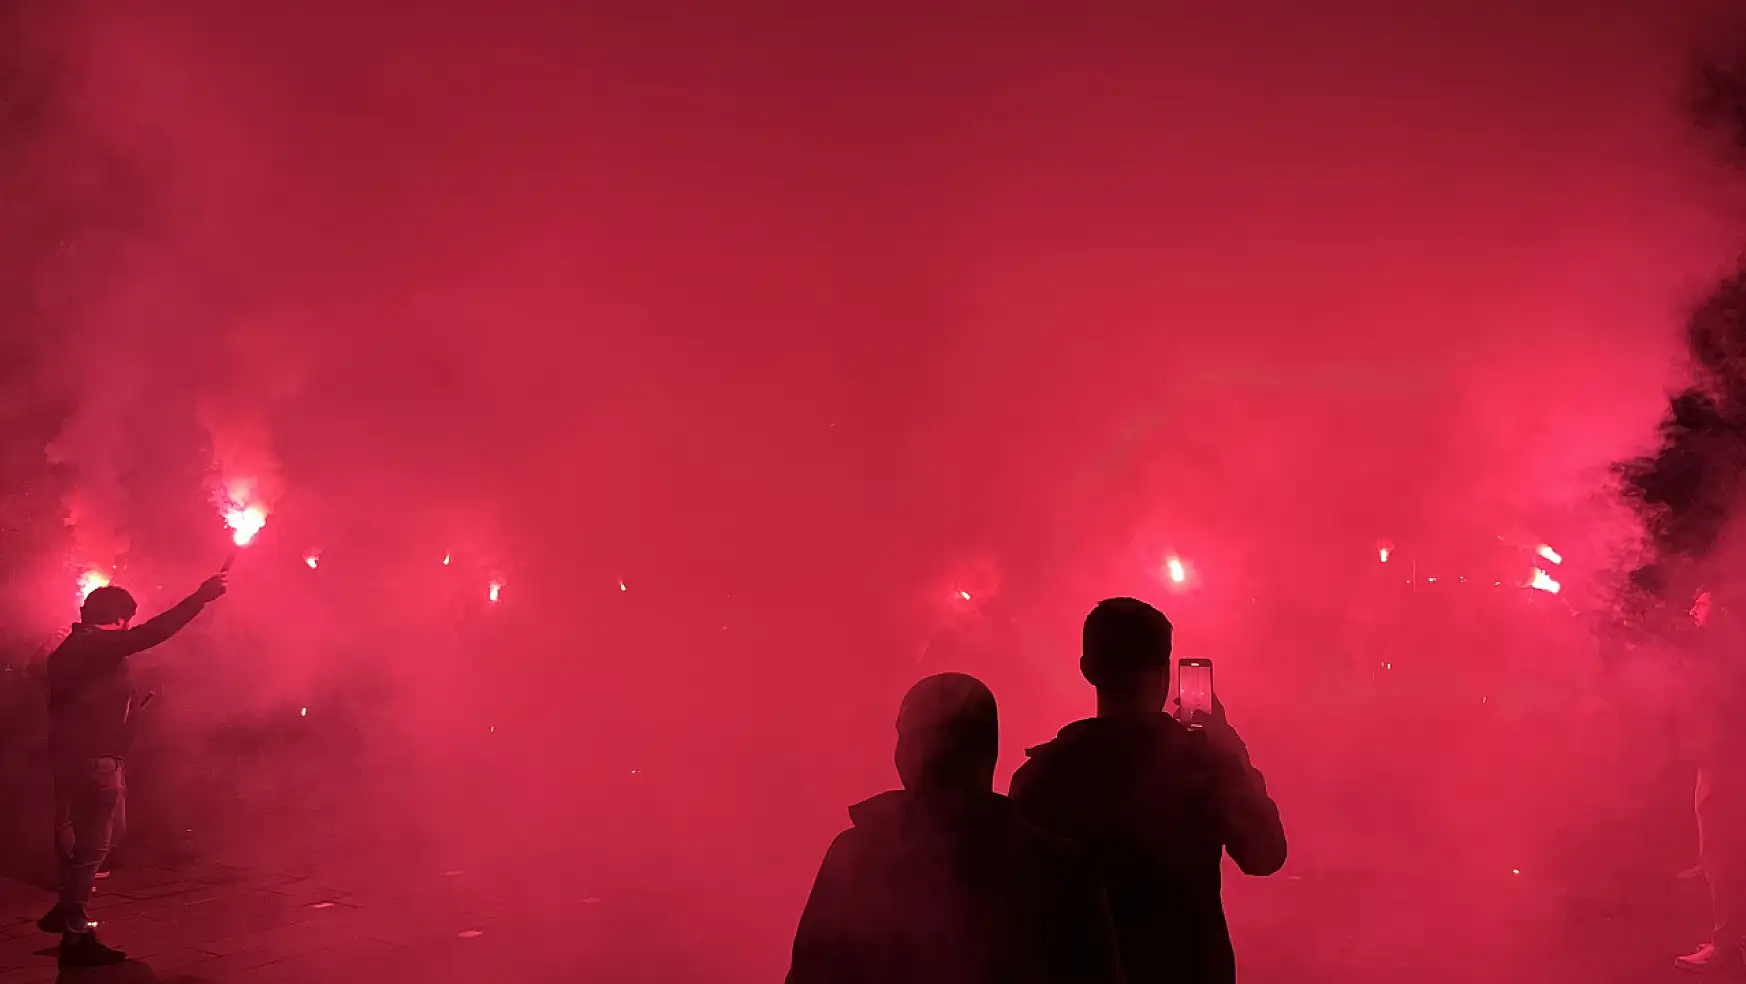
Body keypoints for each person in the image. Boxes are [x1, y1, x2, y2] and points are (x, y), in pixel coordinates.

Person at [1010, 598, 1286, 984]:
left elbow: (1019, 910)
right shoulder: (1202, 763)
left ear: (1088, 669)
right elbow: (1267, 855)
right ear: (1164, 670)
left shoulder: (1044, 775)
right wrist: (1229, 746)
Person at [787, 672, 1127, 984]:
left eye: (905, 735)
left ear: (909, 752)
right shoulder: (1062, 870)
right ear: (989, 750)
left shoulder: (857, 858)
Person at [36, 572, 228, 967]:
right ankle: (75, 935)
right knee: (94, 846)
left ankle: (68, 904)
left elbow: (71, 702)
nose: (128, 629)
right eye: (127, 622)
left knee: (96, 840)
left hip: (77, 756)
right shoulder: (94, 645)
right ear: (119, 619)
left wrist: (119, 716)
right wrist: (199, 598)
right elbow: (153, 633)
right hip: (95, 761)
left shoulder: (73, 647)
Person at [1677, 589, 1746, 975]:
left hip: (1725, 760)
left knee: (1723, 852)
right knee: (1722, 851)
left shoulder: (1725, 650)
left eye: (1700, 603)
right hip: (1717, 757)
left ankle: (1726, 942)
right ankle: (1731, 935)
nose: (1692, 609)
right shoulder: (1725, 646)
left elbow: (1720, 704)